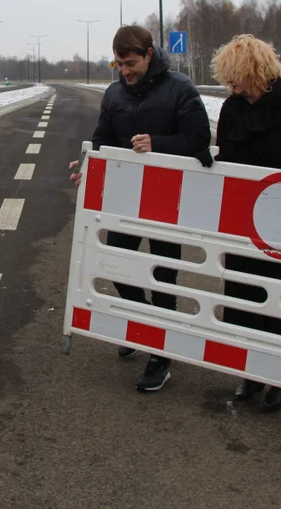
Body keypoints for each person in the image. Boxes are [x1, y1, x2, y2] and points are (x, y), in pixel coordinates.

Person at [69, 24, 210, 392]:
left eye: (130, 63)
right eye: (118, 64)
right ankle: (142, 319)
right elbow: (102, 140)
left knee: (164, 277)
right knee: (116, 264)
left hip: (169, 203)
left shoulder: (181, 88)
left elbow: (199, 141)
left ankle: (160, 355)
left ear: (149, 54)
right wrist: (86, 167)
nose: (125, 71)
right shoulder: (114, 93)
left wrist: (157, 144)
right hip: (126, 201)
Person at [201, 33, 281, 411]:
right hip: (246, 221)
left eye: (235, 76)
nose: (230, 84)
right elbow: (224, 154)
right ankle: (252, 371)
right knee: (246, 296)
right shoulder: (231, 109)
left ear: (254, 70)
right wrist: (210, 158)